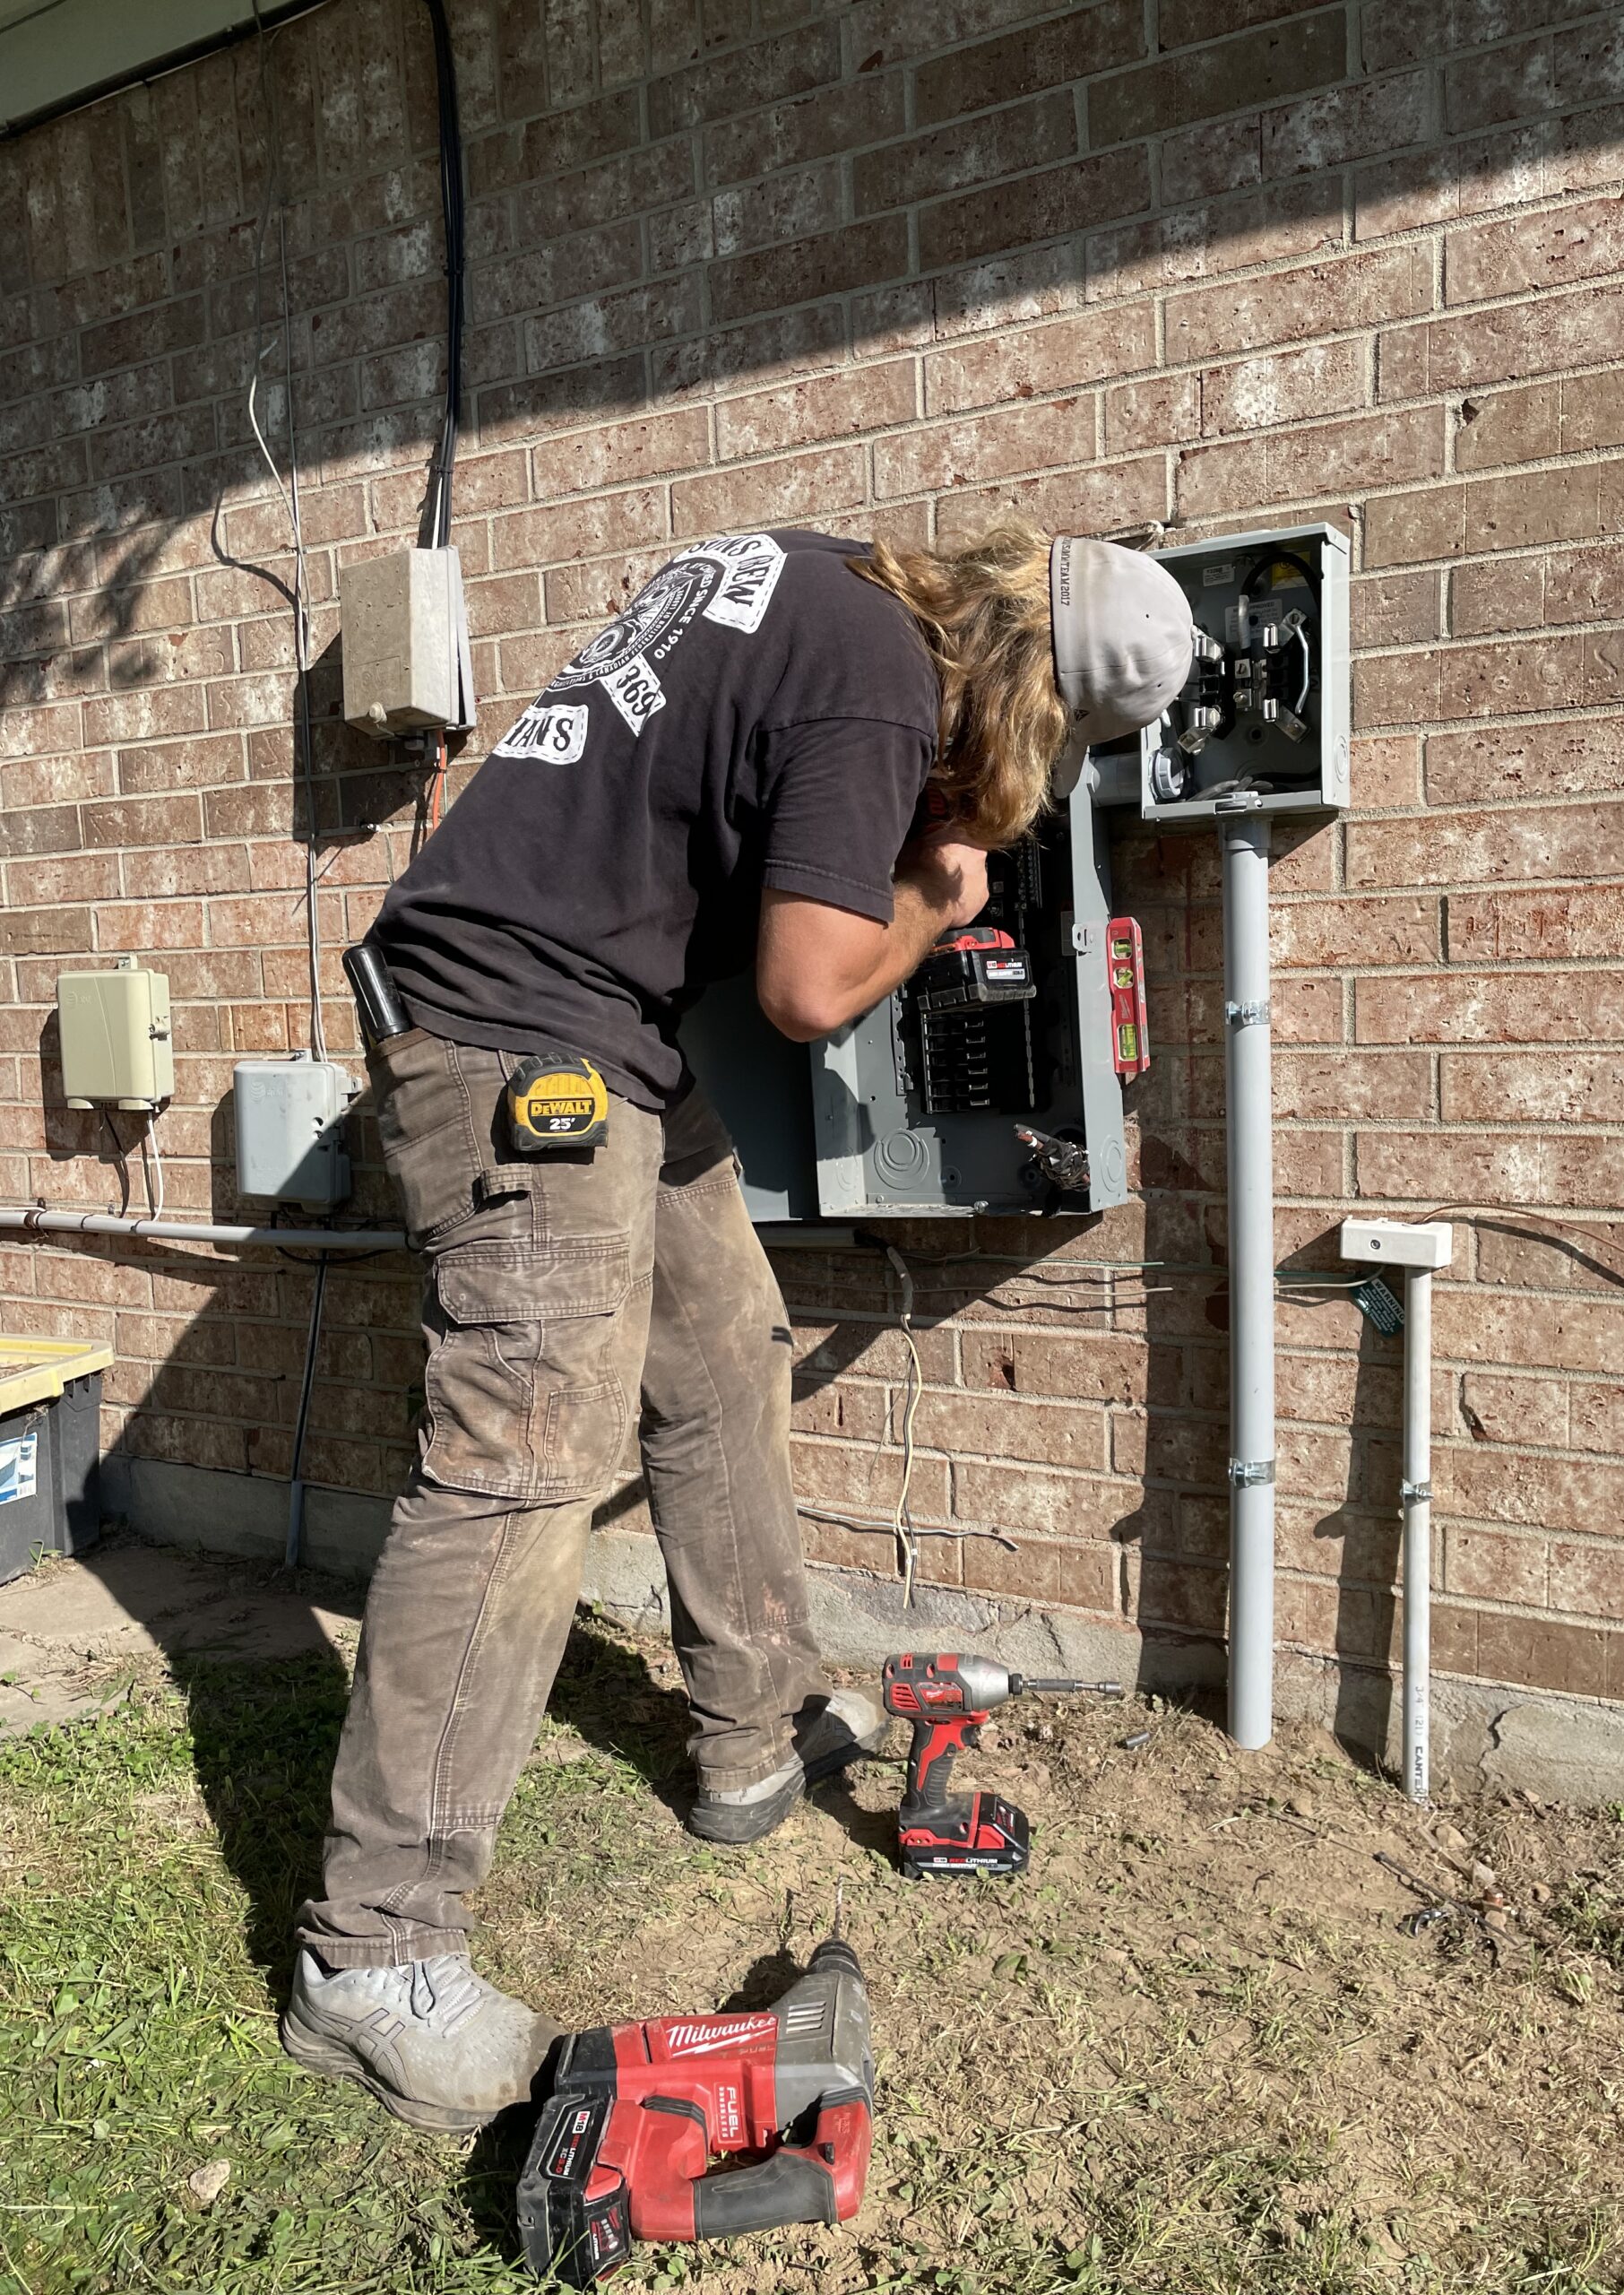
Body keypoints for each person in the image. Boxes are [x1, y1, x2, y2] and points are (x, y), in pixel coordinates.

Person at [281, 518, 1194, 2131]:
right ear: (1033, 694)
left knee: (721, 1355)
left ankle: (750, 1731)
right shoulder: (880, 691)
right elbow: (808, 987)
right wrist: (938, 890)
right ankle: (373, 1958)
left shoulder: (823, 575)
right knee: (521, 1459)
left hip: (594, 1029)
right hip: (510, 1037)